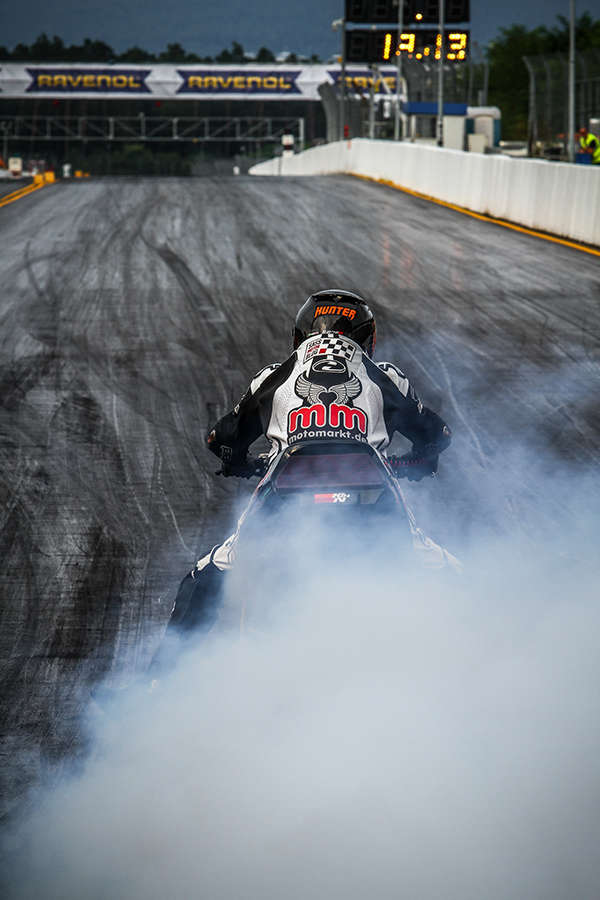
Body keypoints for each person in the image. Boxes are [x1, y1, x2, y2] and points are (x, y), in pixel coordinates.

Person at [157, 290, 456, 651]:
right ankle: (480, 673)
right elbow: (438, 435)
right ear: (368, 339)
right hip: (372, 499)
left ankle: (159, 683)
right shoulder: (386, 376)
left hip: (283, 499)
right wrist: (416, 462)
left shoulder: (274, 375)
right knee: (449, 575)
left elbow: (218, 438)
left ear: (298, 335)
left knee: (205, 577)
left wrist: (238, 462)